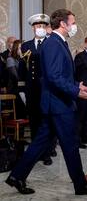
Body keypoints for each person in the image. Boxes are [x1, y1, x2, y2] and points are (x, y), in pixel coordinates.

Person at [5, 9, 87, 195]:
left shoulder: (58, 42)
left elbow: (61, 75)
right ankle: (81, 185)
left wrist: (77, 85)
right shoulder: (53, 43)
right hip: (59, 105)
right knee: (70, 144)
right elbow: (53, 76)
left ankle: (16, 176)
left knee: (39, 143)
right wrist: (76, 91)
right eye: (73, 22)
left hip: (56, 103)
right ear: (63, 23)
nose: (75, 25)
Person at [21, 13, 56, 165]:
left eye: (43, 26)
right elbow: (22, 68)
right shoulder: (25, 46)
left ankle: (46, 152)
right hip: (32, 90)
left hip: (46, 89)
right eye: (37, 26)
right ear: (33, 28)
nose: (40, 28)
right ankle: (36, 152)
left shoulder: (50, 43)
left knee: (46, 121)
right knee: (34, 121)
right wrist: (22, 88)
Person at [6, 40, 27, 119]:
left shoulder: (23, 60)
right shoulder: (10, 59)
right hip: (14, 89)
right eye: (20, 48)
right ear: (15, 49)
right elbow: (15, 77)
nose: (22, 50)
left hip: (22, 88)